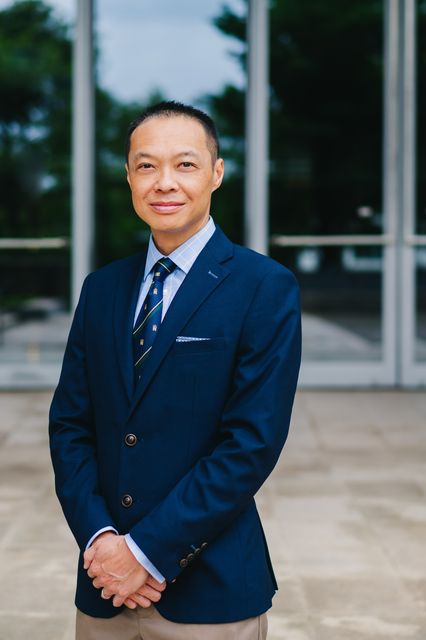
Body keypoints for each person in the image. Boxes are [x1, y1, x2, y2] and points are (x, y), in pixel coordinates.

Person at [49, 100, 302, 639]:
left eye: (185, 164)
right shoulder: (103, 289)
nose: (164, 182)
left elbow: (249, 444)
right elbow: (71, 425)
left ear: (216, 173)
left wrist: (144, 553)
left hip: (208, 593)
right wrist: (100, 542)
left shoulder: (263, 287)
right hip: (104, 591)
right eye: (146, 165)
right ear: (128, 177)